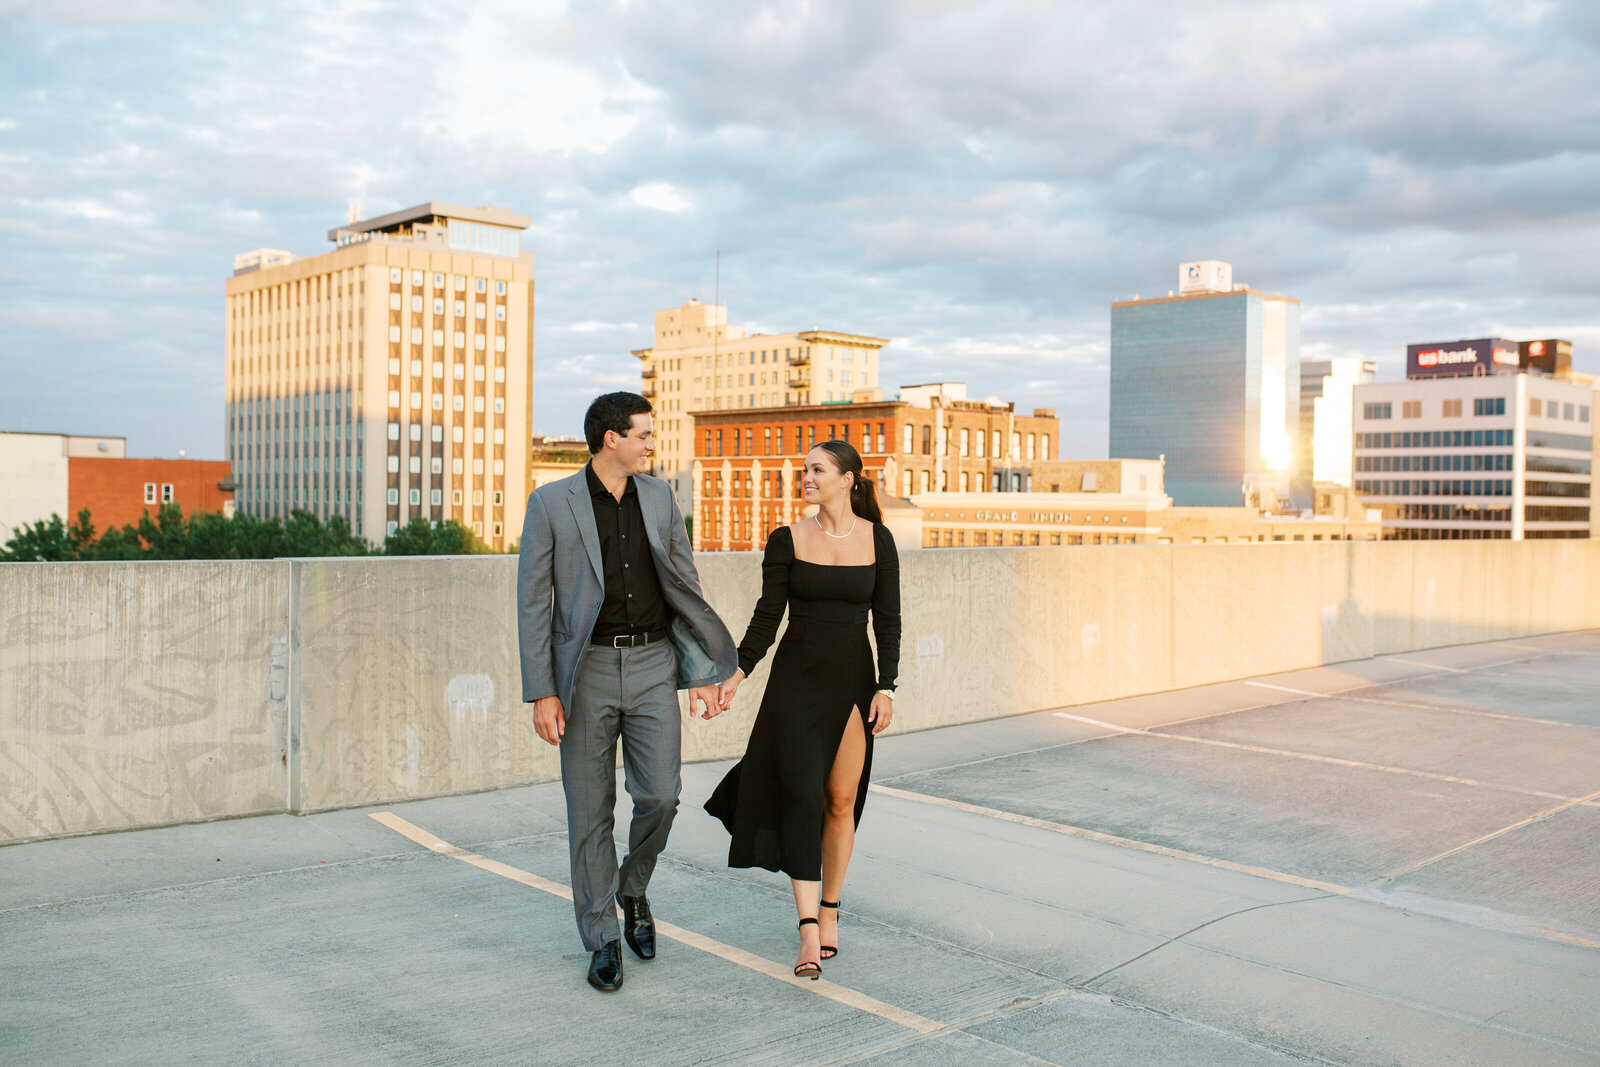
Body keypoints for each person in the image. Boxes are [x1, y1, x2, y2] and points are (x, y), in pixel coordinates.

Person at [517, 392, 737, 992]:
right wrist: (542, 690)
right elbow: (535, 603)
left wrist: (703, 672)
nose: (650, 444)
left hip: (653, 665)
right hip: (583, 672)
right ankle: (602, 936)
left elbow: (684, 584)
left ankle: (632, 888)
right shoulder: (550, 504)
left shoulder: (660, 497)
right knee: (589, 812)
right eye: (642, 434)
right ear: (610, 438)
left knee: (661, 796)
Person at [706, 439, 901, 980]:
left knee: (840, 800)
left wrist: (887, 687)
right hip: (796, 685)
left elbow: (888, 621)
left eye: (816, 470)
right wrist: (737, 672)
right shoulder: (787, 539)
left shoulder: (878, 541)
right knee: (800, 798)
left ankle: (831, 908)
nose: (806, 477)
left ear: (848, 479)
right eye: (805, 470)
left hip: (854, 685)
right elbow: (767, 616)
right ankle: (808, 930)